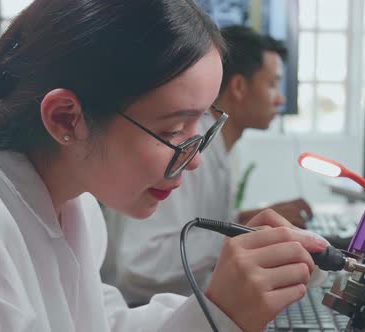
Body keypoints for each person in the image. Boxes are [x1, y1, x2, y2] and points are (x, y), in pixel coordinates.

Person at [0, 1, 327, 331]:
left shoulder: (68, 199)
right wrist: (218, 314)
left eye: (202, 127)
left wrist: (221, 307)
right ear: (66, 118)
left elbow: (100, 323)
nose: (193, 162)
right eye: (176, 130)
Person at [102, 25, 317, 306]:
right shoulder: (185, 149)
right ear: (239, 87)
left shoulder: (223, 149)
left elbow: (193, 225)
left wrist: (244, 222)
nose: (281, 98)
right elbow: (140, 263)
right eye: (272, 84)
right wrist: (239, 241)